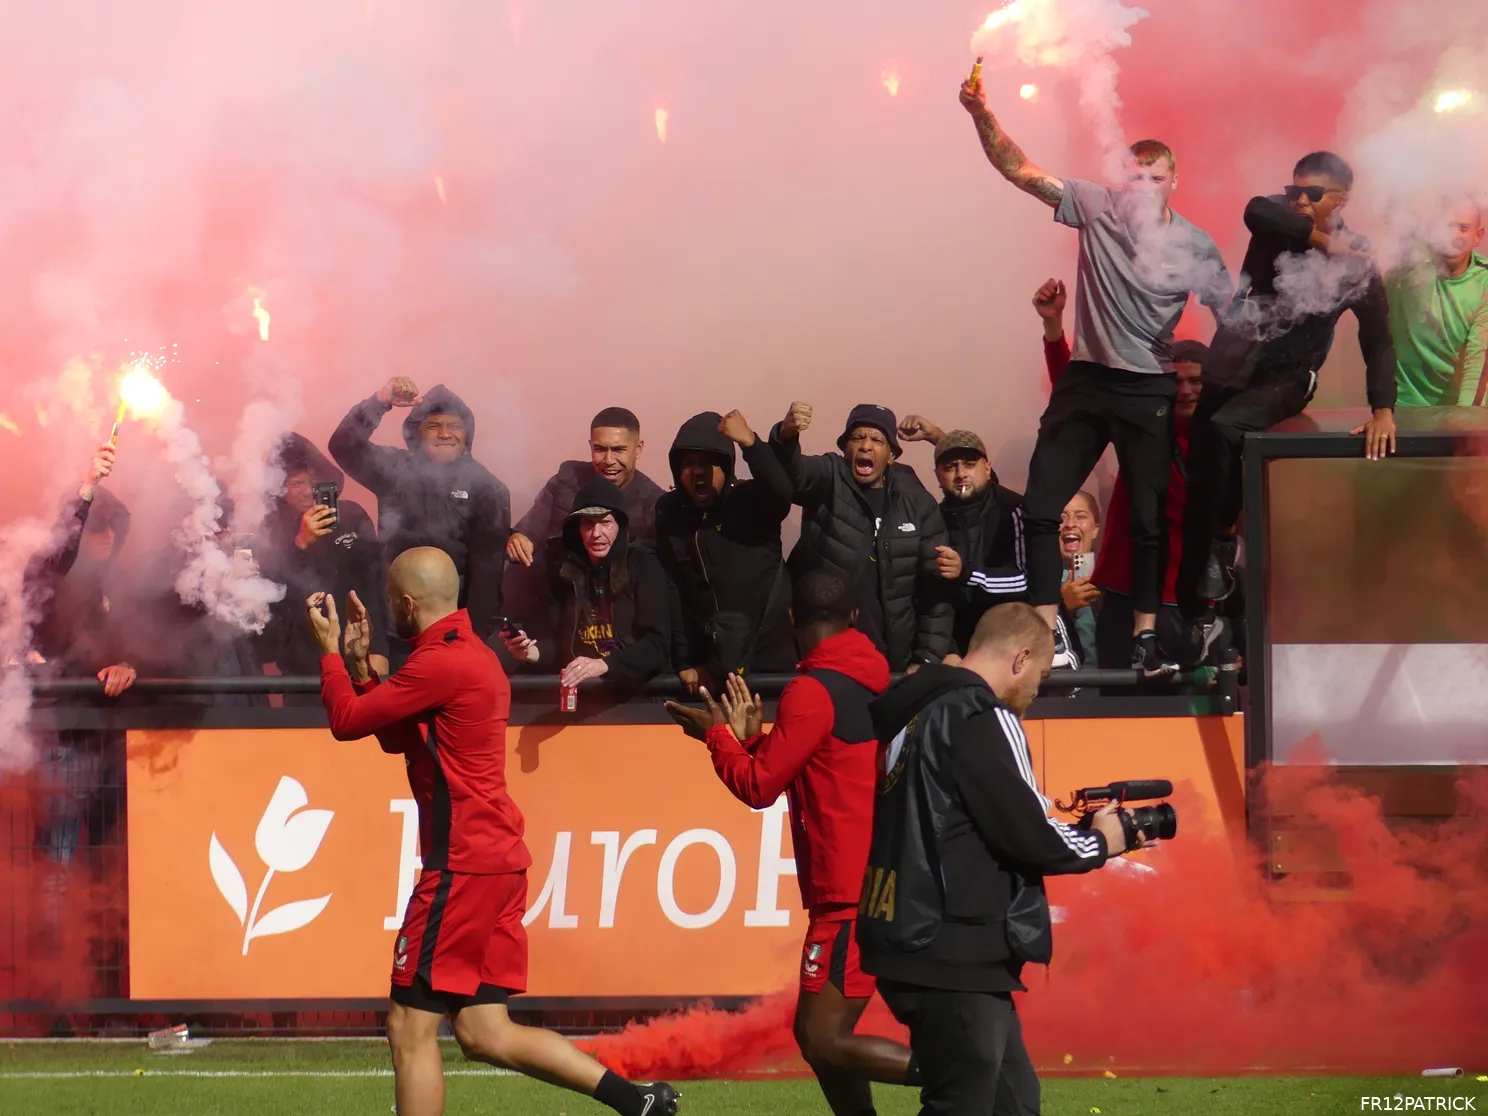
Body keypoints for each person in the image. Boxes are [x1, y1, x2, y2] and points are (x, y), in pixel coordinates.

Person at [309, 548, 678, 1116]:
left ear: (407, 603)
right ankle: (637, 1102)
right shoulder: (461, 655)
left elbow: (347, 723)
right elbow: (394, 735)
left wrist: (331, 654)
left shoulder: (441, 664)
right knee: (486, 1033)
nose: (389, 611)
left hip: (463, 866)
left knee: (408, 1028)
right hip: (494, 861)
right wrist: (361, 670)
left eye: (391, 601)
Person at [959, 75, 1231, 679]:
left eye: (1155, 178)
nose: (1142, 188)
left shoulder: (1194, 244)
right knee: (1038, 506)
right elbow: (1019, 169)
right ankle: (1046, 624)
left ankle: (1145, 638)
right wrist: (981, 111)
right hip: (1088, 377)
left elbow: (1231, 315)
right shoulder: (1096, 204)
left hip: (1147, 389)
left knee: (1147, 519)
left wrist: (1215, 366)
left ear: (1173, 184)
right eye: (1134, 176)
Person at [859, 602, 1137, 1115]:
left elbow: (974, 820)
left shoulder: (914, 711)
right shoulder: (980, 713)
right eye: (1042, 674)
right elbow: (1028, 834)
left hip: (916, 936)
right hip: (953, 946)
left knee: (1014, 1104)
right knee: (962, 1104)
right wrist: (1103, 841)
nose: (1038, 688)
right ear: (1020, 658)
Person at [664, 570, 916, 1115]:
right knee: (822, 1044)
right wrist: (753, 739)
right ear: (854, 619)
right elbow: (817, 764)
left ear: (791, 620)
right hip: (875, 881)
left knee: (822, 1038)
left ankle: (962, 1075)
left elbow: (759, 786)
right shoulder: (869, 680)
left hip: (849, 891)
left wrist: (717, 737)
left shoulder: (811, 691)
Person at [1177, 153, 1398, 634]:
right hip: (1230, 363)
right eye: (1294, 190)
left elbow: (1377, 339)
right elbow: (1257, 208)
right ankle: (1193, 616)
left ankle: (1225, 543)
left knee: (1225, 429)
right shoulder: (1277, 223)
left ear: (1342, 199)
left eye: (1313, 195)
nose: (1299, 200)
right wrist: (1323, 241)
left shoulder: (1358, 257)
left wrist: (1384, 412)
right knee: (1200, 484)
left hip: (1290, 376)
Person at [1035, 278, 1213, 667]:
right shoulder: (1142, 420)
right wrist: (1053, 327)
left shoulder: (1222, 439)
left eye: (1196, 380)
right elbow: (1073, 388)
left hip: (1183, 600)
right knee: (1118, 706)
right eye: (1177, 380)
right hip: (1120, 593)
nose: (1185, 390)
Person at [769, 401, 954, 672]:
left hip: (897, 667)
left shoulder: (918, 503)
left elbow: (936, 591)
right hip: (831, 663)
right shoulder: (829, 476)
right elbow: (794, 474)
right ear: (845, 448)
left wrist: (925, 659)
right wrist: (785, 436)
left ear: (891, 455)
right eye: (857, 437)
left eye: (877, 440)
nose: (866, 445)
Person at [328, 377, 509, 642]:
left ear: (467, 434)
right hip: (391, 629)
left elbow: (486, 582)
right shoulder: (394, 471)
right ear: (417, 434)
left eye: (454, 426)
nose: (444, 433)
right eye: (433, 426)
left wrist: (471, 644)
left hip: (451, 633)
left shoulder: (488, 489)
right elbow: (342, 446)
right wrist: (379, 401)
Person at [655, 409, 796, 693]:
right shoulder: (670, 512)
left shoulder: (750, 501)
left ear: (726, 467)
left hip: (769, 663)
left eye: (707, 463)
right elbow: (674, 590)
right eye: (688, 463)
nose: (697, 471)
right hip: (709, 669)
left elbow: (782, 492)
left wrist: (750, 443)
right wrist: (685, 660)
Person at [502, 477, 671, 701]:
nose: (596, 533)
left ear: (620, 525)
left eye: (605, 523)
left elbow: (657, 646)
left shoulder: (644, 564)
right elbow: (559, 644)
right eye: (588, 524)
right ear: (577, 529)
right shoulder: (565, 571)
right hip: (583, 699)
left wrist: (605, 664)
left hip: (636, 698)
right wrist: (531, 653)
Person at [255, 433, 389, 687]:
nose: (308, 491)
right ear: (279, 490)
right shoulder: (271, 528)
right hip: (302, 667)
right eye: (296, 484)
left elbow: (375, 586)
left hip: (359, 655)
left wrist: (381, 648)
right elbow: (271, 599)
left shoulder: (351, 516)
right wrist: (300, 544)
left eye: (313, 481)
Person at [894, 419, 1028, 656]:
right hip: (955, 651)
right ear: (937, 476)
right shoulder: (934, 518)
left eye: (969, 464)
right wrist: (946, 651)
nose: (961, 474)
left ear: (987, 468)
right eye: (950, 467)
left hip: (1010, 643)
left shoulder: (1013, 509)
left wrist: (966, 573)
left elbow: (1026, 580)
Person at [1389, 197, 1488, 408]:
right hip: (1399, 407)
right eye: (1446, 226)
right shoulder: (1406, 267)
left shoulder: (1485, 282)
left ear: (1477, 236)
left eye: (1463, 228)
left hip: (1458, 408)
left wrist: (1464, 419)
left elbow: (1477, 363)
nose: (1453, 236)